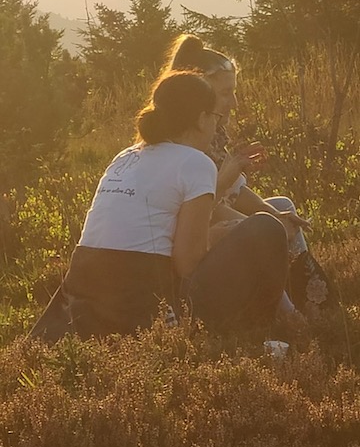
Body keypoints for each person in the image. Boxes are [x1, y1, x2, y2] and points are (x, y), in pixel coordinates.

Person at [29, 70, 290, 342]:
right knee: (266, 228)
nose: (216, 127)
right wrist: (224, 235)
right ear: (201, 119)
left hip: (84, 297)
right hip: (143, 303)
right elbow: (188, 263)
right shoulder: (195, 162)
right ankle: (255, 336)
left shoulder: (125, 156)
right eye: (215, 118)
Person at [163, 34, 333, 318]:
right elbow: (205, 209)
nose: (235, 101)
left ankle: (310, 300)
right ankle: (288, 316)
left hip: (208, 227)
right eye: (226, 93)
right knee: (267, 231)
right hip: (186, 248)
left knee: (280, 206)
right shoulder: (186, 141)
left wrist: (275, 217)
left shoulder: (213, 133)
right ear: (200, 95)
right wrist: (270, 228)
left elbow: (235, 193)